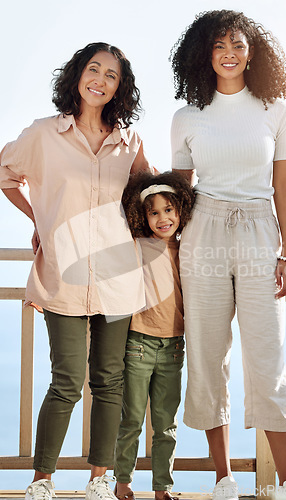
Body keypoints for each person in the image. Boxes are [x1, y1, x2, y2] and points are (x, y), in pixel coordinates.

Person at [0, 42, 150, 500]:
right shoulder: (43, 134)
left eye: (111, 76)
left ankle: (99, 479)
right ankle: (41, 479)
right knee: (65, 380)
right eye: (94, 70)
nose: (100, 80)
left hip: (117, 276)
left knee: (109, 381)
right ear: (77, 75)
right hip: (63, 275)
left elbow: (151, 191)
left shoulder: (130, 141)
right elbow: (6, 174)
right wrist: (38, 220)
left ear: (119, 88)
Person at [170, 10, 286, 500]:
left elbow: (283, 187)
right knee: (206, 353)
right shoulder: (186, 116)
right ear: (204, 52)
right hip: (201, 230)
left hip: (260, 229)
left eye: (238, 44)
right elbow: (179, 192)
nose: (229, 53)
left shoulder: (275, 109)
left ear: (252, 51)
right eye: (219, 44)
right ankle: (223, 478)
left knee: (269, 355)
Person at [113, 171, 194, 500]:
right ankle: (123, 482)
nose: (163, 218)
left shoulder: (187, 246)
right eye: (154, 211)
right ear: (141, 216)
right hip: (139, 345)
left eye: (169, 210)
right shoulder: (137, 245)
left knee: (166, 424)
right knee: (131, 419)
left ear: (181, 211)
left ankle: (163, 489)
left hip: (174, 347)